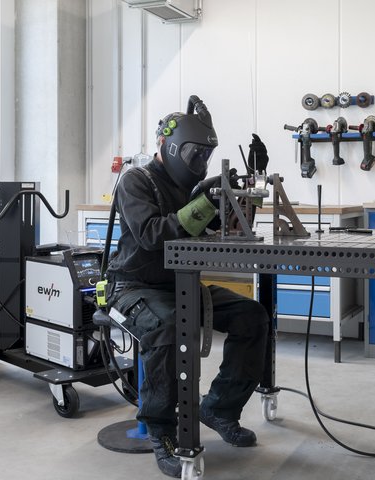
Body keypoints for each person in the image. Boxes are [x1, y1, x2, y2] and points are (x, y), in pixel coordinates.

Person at [106, 95, 270, 478]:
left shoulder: (194, 187)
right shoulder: (136, 181)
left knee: (253, 316)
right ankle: (163, 432)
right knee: (166, 327)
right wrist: (204, 204)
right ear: (171, 147)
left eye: (206, 157)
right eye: (196, 155)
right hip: (132, 287)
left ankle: (220, 408)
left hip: (182, 285)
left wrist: (227, 201)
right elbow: (150, 235)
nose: (201, 165)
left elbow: (206, 231)